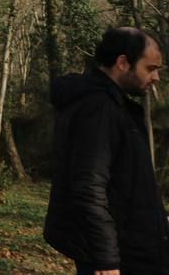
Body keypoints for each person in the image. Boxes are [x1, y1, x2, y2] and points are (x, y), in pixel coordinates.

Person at [45, 27, 168, 275]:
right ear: (123, 63)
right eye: (150, 68)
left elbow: (126, 183)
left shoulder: (116, 107)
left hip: (136, 249)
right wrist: (106, 260)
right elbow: (89, 187)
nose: (155, 78)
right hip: (121, 258)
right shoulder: (97, 109)